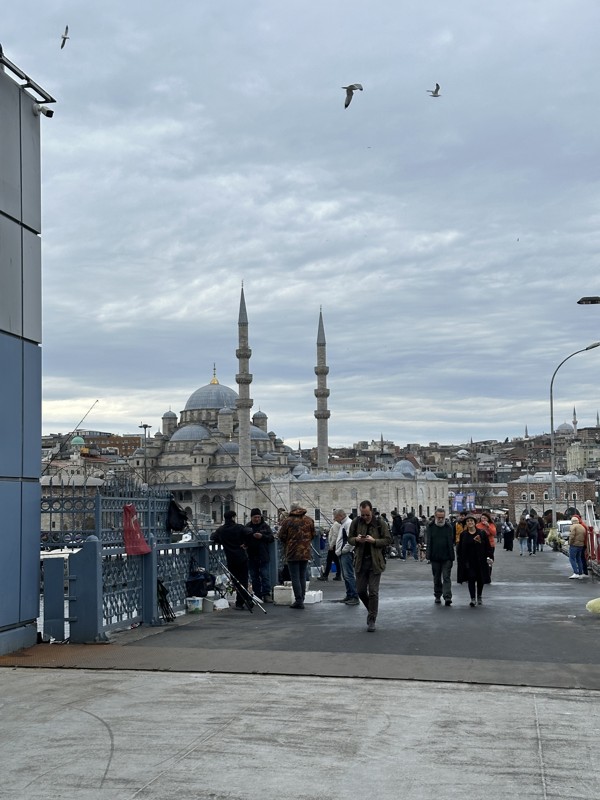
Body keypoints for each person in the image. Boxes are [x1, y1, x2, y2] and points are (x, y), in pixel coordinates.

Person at [348, 500, 392, 631]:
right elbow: (349, 538)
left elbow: (388, 540)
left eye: (367, 514)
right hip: (360, 561)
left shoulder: (380, 523)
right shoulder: (356, 522)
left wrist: (374, 541)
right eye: (363, 515)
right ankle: (371, 610)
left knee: (373, 591)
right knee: (361, 591)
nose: (365, 517)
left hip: (375, 562)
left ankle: (372, 619)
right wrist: (356, 539)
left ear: (371, 511)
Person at [277, 503, 316, 608]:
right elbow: (313, 534)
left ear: (292, 510)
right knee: (302, 575)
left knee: (295, 576)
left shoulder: (288, 521)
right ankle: (302, 598)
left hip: (292, 552)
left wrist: (289, 542)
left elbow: (281, 536)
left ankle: (298, 600)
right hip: (305, 551)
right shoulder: (309, 520)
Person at [211, 510, 252, 609]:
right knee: (243, 580)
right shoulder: (239, 527)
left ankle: (242, 601)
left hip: (231, 559)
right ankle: (244, 600)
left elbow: (213, 537)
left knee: (236, 581)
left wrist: (221, 540)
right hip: (241, 557)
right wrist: (246, 543)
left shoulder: (221, 530)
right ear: (233, 517)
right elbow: (250, 532)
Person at [457, 514, 492, 607]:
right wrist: (460, 559)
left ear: (475, 522)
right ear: (466, 523)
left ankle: (479, 596)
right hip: (469, 560)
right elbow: (460, 548)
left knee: (480, 579)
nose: (470, 522)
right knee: (471, 578)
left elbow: (487, 546)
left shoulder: (481, 533)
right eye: (468, 521)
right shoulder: (463, 534)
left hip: (480, 559)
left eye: (471, 521)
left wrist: (489, 557)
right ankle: (472, 598)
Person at [425, 507, 455, 606]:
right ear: (435, 516)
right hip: (434, 557)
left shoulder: (448, 527)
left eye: (442, 517)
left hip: (447, 557)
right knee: (437, 577)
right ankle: (437, 595)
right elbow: (428, 541)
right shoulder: (430, 527)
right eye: (439, 517)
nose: (441, 519)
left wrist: (452, 557)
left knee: (446, 577)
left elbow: (451, 542)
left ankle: (447, 597)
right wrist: (428, 556)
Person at [246, 507, 275, 603]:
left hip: (263, 555)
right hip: (251, 555)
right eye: (255, 517)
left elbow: (271, 538)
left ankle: (266, 594)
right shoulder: (247, 527)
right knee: (254, 576)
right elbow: (243, 538)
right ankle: (257, 595)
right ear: (251, 517)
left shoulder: (265, 526)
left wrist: (262, 536)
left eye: (258, 517)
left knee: (265, 575)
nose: (257, 519)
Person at [333, 508, 360, 605]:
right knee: (346, 575)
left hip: (345, 553)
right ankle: (349, 595)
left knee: (348, 575)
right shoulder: (345, 524)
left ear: (340, 516)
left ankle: (354, 596)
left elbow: (351, 539)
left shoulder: (348, 524)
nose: (334, 519)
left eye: (335, 517)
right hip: (343, 552)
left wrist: (344, 550)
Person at [477, 511, 497, 578]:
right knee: (481, 560)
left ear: (488, 519)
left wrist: (488, 526)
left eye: (485, 518)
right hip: (480, 545)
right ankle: (481, 575)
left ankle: (488, 575)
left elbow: (494, 533)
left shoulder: (491, 525)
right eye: (482, 518)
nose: (483, 519)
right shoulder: (478, 525)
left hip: (490, 545)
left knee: (489, 560)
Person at [567, 515, 587, 579]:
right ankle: (580, 573)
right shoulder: (582, 527)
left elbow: (572, 536)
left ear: (572, 521)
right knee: (579, 559)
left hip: (574, 545)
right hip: (581, 545)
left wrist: (570, 543)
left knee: (572, 558)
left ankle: (575, 573)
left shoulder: (573, 526)